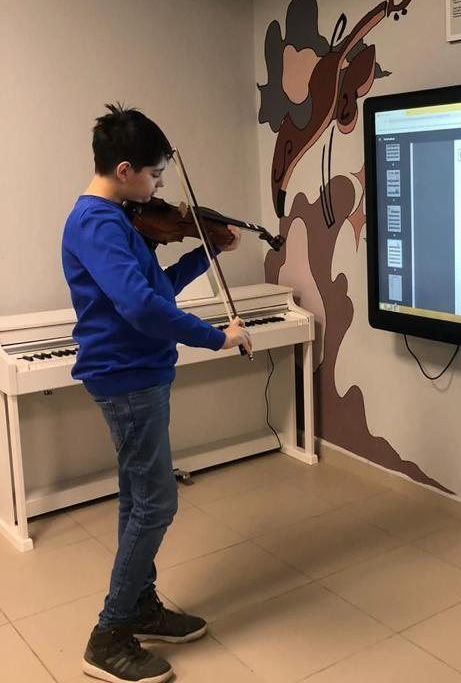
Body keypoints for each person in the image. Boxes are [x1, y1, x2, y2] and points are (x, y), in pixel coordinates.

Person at [62, 104, 252, 683]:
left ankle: (140, 606)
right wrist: (217, 337)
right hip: (127, 377)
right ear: (125, 170)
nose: (160, 187)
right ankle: (109, 634)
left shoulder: (119, 219)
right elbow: (141, 309)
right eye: (155, 174)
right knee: (156, 502)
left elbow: (157, 289)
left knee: (138, 499)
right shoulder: (97, 224)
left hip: (141, 372)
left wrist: (204, 253)